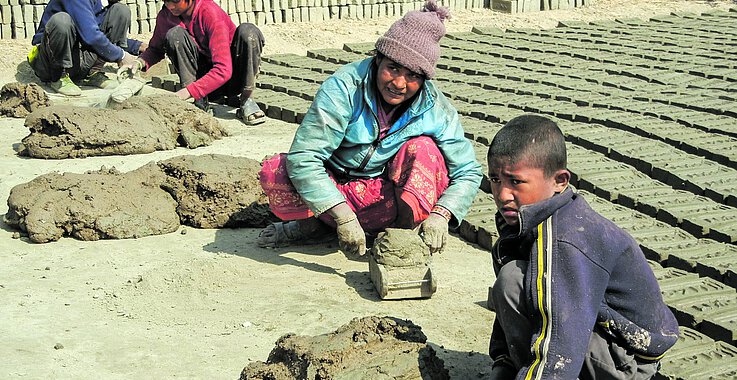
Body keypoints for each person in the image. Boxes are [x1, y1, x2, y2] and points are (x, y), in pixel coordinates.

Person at [257, 0, 482, 256]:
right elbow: (305, 157)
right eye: (393, 68)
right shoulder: (344, 87)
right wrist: (343, 216)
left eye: (413, 76)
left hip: (381, 197)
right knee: (277, 170)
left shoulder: (434, 107)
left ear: (424, 79)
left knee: (424, 149)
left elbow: (468, 171)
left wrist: (442, 214)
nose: (399, 83)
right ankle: (313, 227)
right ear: (378, 59)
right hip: (332, 188)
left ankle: (399, 238)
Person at [486, 114, 679, 379]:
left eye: (516, 182)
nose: (502, 194)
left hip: (628, 361)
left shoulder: (566, 240)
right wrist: (503, 364)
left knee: (513, 281)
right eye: (496, 180)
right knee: (516, 279)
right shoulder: (526, 220)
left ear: (559, 181)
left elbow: (560, 343)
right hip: (594, 331)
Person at [119, 0, 266, 124]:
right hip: (202, 80)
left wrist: (184, 94)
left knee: (249, 32)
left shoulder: (209, 12)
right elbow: (156, 49)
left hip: (234, 78)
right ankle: (199, 104)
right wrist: (139, 62)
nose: (170, 6)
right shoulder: (166, 16)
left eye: (175, 1)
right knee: (175, 35)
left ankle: (247, 100)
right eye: (166, 1)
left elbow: (223, 69)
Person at [29, 0, 145, 97]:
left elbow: (97, 32)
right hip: (49, 61)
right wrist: (121, 56)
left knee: (120, 11)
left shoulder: (102, 3)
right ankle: (59, 78)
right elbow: (91, 36)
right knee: (61, 20)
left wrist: (137, 46)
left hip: (76, 57)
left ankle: (90, 74)